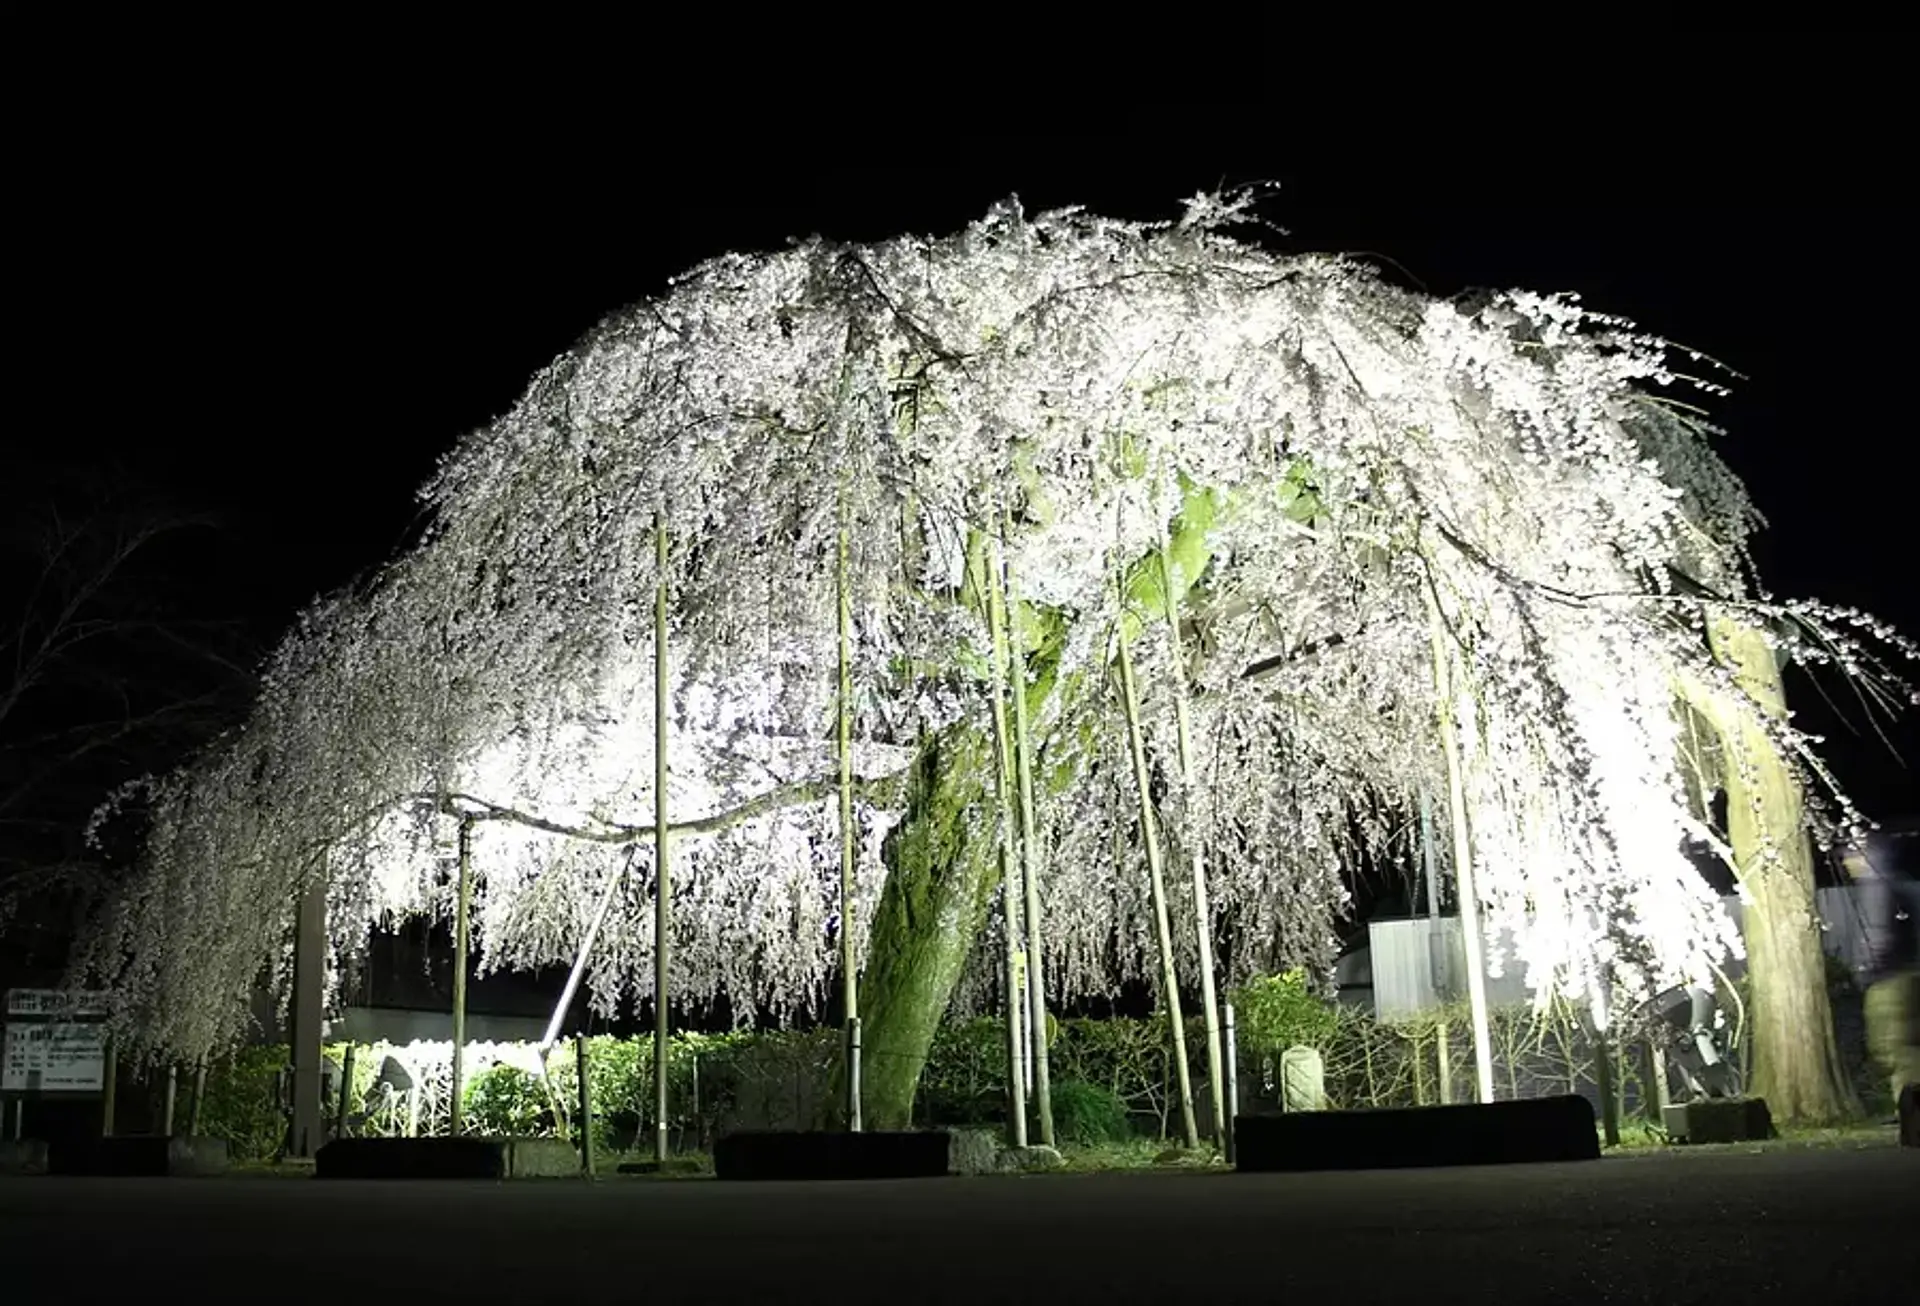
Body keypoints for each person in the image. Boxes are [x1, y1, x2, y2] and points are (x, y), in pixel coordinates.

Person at [1841, 828, 1920, 1115]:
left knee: (1894, 1049)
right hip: (1910, 975)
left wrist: (1864, 971)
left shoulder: (1876, 886)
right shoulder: (1902, 885)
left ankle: (1911, 1112)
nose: (1846, 862)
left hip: (1890, 980)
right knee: (1908, 1046)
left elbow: (1877, 934)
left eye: (1850, 855)